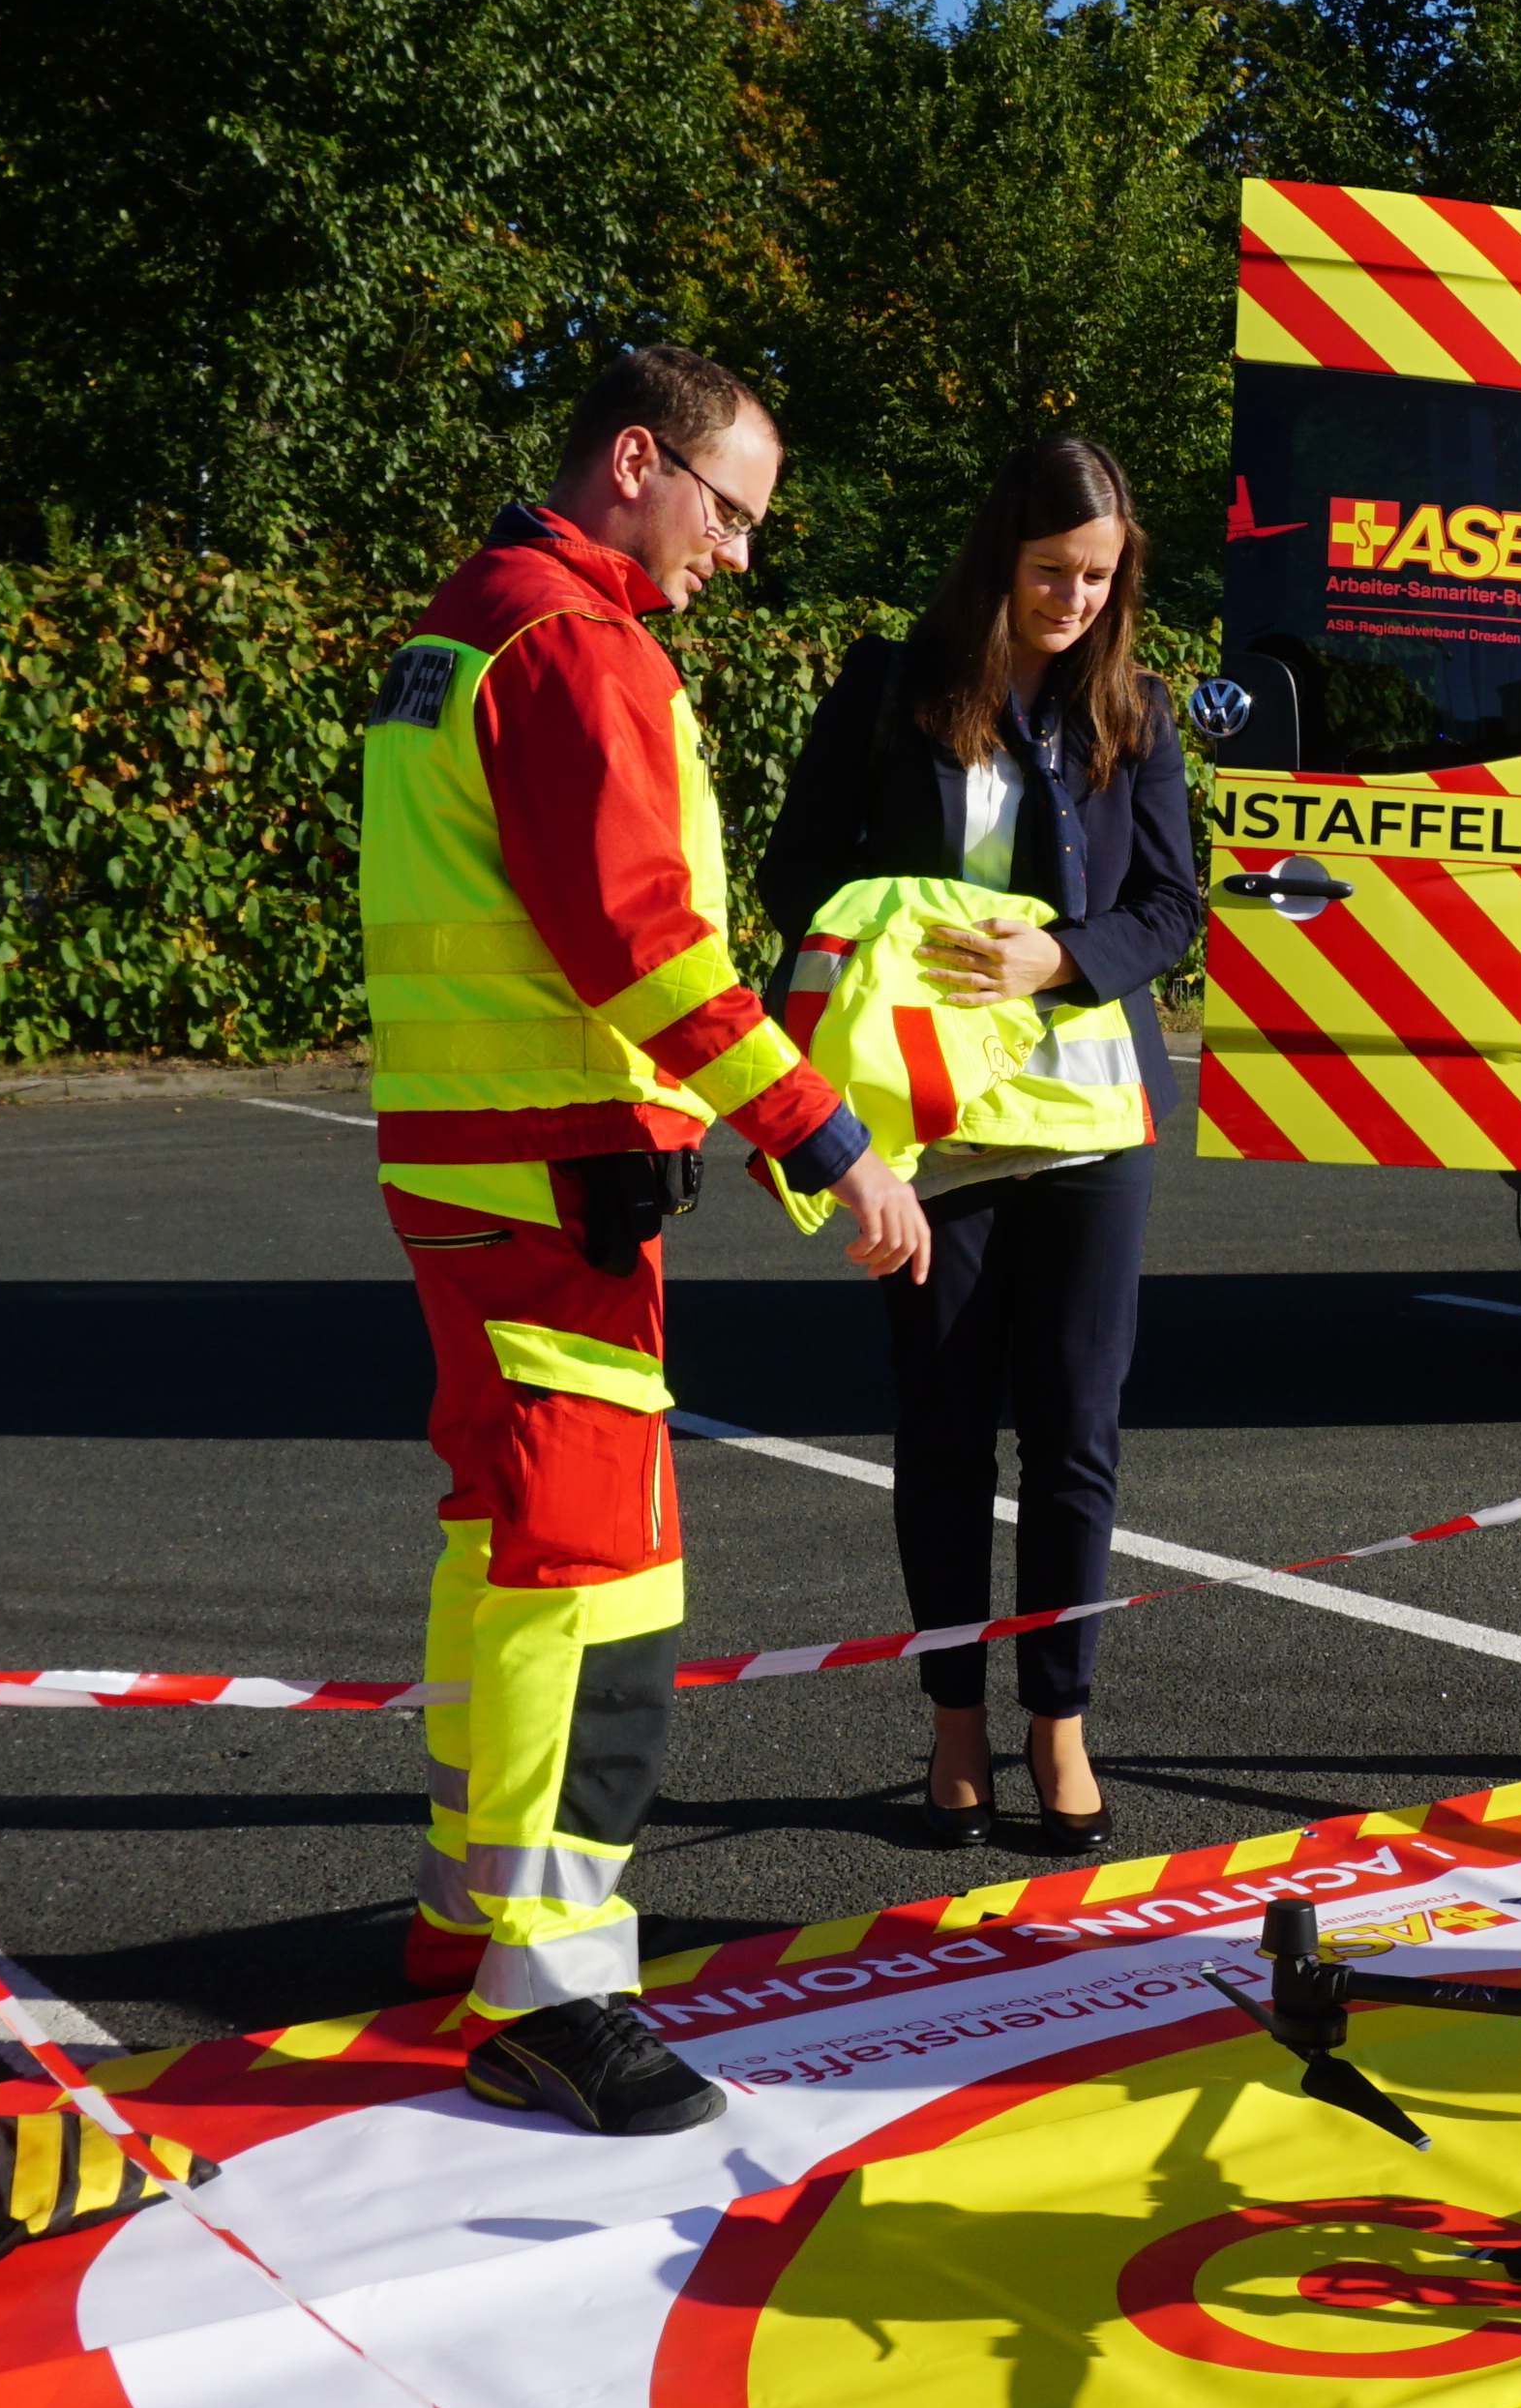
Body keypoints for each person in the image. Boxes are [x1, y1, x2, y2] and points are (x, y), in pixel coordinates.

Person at [363, 345, 926, 2129]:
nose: (737, 557)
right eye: (731, 511)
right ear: (637, 462)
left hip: (480, 1157)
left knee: (500, 1534)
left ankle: (470, 1913)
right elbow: (648, 945)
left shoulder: (473, 620)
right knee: (596, 1575)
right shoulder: (575, 645)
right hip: (553, 1171)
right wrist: (826, 1136)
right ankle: (549, 1983)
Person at [755, 437, 1204, 1857]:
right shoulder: (893, 686)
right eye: (1050, 572)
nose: (1074, 598)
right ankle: (954, 1728)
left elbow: (1175, 908)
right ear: (997, 559)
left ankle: (1058, 1723)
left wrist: (1060, 958)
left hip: (1084, 1120)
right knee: (945, 1433)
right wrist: (919, 926)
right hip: (932, 1124)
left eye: (1098, 576)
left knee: (1074, 1435)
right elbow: (793, 877)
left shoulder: (1134, 710)